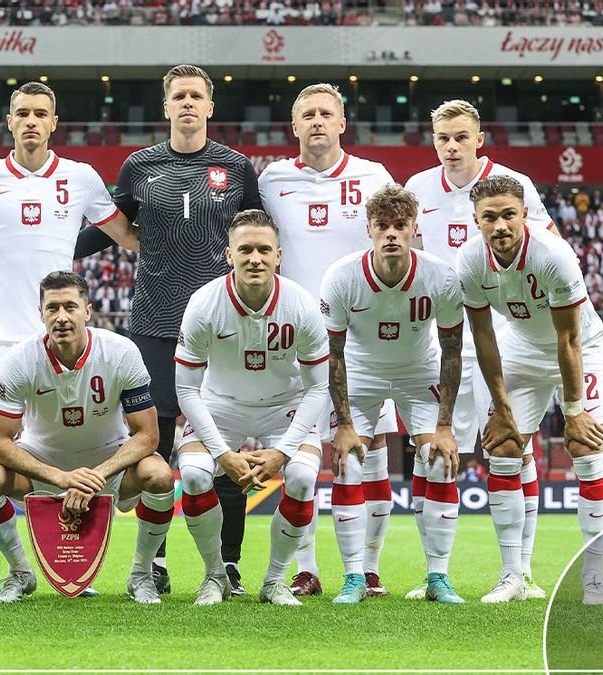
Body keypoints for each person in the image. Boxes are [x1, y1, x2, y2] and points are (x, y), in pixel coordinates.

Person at [0, 81, 126, 597]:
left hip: (62, 338)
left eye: (41, 113)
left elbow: (127, 234)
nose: (32, 121)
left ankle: (79, 557)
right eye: (23, 113)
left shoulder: (80, 178)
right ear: (10, 121)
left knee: (64, 444)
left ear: (54, 122)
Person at [76, 64, 261, 595]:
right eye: (177, 95)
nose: (186, 103)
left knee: (219, 443)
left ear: (209, 107)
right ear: (166, 107)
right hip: (154, 324)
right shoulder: (141, 166)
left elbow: (259, 235)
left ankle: (227, 564)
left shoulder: (235, 167)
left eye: (195, 96)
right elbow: (107, 230)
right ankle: (152, 563)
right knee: (151, 446)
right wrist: (46, 253)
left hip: (222, 326)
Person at [400, 98, 558, 601]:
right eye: (443, 138)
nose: (451, 147)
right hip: (434, 342)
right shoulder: (416, 190)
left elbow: (553, 250)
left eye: (461, 137)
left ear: (478, 138)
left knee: (511, 449)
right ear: (434, 140)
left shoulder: (514, 186)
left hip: (500, 337)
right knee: (432, 455)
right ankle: (434, 575)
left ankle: (517, 573)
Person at [257, 82, 396, 597]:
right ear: (294, 127)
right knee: (305, 455)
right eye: (307, 114)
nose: (317, 121)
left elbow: (396, 245)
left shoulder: (374, 177)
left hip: (362, 338)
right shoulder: (271, 180)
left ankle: (371, 568)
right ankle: (307, 568)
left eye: (326, 113)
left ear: (342, 124)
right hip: (296, 341)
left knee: (370, 449)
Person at [0, 271, 174, 604]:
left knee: (160, 475)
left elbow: (148, 436)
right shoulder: (20, 359)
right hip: (44, 467)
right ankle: (20, 572)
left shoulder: (121, 352)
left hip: (108, 465)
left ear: (87, 310)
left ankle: (141, 574)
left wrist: (95, 476)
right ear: (41, 314)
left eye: (70, 307)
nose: (61, 317)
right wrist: (61, 478)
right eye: (52, 308)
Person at [460, 175, 603, 605]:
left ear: (525, 214)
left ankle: (594, 578)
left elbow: (569, 341)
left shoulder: (553, 255)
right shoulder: (469, 261)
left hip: (580, 348)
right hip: (521, 347)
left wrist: (574, 410)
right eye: (489, 217)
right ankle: (513, 576)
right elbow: (484, 338)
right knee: (505, 448)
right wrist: (503, 410)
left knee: (585, 448)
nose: (500, 225)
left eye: (509, 214)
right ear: (476, 221)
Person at [318, 185, 466, 605]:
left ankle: (438, 576)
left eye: (400, 226)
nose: (391, 234)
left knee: (439, 460)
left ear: (414, 229)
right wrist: (344, 424)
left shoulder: (440, 275)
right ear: (368, 229)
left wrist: (444, 426)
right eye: (382, 226)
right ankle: (353, 579)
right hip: (360, 373)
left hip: (418, 372)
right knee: (347, 462)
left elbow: (452, 351)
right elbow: (333, 355)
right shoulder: (342, 276)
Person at [174, 209, 329, 606]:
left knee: (301, 479)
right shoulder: (204, 303)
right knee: (192, 476)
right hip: (220, 404)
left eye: (264, 250)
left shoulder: (302, 305)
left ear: (279, 255)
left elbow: (318, 387)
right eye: (246, 250)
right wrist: (223, 454)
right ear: (229, 255)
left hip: (284, 405)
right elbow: (187, 390)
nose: (255, 258)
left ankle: (275, 580)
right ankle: (215, 575)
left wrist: (282, 451)